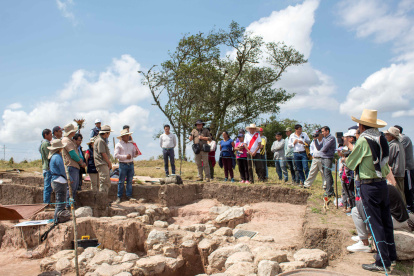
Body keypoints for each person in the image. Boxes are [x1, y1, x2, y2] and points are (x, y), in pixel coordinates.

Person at [345, 109, 396, 272]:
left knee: (374, 223)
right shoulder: (381, 138)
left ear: (361, 125)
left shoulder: (363, 140)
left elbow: (351, 163)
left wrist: (347, 157)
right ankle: (390, 254)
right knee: (385, 220)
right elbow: (385, 162)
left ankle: (382, 262)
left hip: (369, 185)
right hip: (381, 183)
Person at [348, 184, 414, 253]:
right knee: (365, 210)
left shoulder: (377, 189)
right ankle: (366, 236)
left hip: (396, 220)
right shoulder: (385, 186)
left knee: (356, 210)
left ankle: (364, 243)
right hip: (400, 219)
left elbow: (369, 209)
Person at [61, 123, 86, 208]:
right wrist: (81, 162)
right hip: (71, 166)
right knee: (71, 188)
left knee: (73, 188)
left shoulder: (68, 140)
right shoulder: (67, 141)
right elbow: (73, 154)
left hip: (73, 166)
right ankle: (69, 206)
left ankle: (70, 205)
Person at [114, 129, 139, 203]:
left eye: (128, 135)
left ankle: (129, 195)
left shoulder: (131, 144)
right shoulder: (118, 145)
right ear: (123, 136)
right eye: (127, 135)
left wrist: (136, 153)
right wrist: (125, 157)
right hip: (123, 164)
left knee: (129, 181)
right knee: (121, 181)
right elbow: (116, 155)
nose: (128, 136)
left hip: (130, 164)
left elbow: (134, 155)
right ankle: (119, 196)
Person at [394, 125, 414, 212]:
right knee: (404, 188)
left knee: (408, 188)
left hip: (407, 168)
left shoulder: (404, 138)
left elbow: (398, 148)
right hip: (403, 169)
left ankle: (410, 207)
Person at [384, 127, 406, 203]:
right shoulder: (399, 144)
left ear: (392, 136)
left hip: (395, 173)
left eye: (387, 134)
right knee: (401, 192)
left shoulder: (393, 145)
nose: (386, 136)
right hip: (400, 172)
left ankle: (402, 211)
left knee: (397, 193)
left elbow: (388, 160)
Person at [48, 139, 68, 221]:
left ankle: (57, 218)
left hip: (56, 180)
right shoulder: (57, 157)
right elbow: (63, 169)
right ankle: (56, 219)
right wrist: (68, 177)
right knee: (60, 202)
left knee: (59, 201)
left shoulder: (53, 156)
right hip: (59, 180)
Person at [315, 126, 336, 196]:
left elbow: (324, 148)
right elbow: (318, 147)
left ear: (327, 131)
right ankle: (331, 190)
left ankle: (329, 191)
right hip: (323, 158)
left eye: (323, 131)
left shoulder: (331, 138)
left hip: (328, 158)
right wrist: (315, 139)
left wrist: (319, 153)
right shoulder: (324, 139)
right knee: (326, 174)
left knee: (327, 174)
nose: (322, 133)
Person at [94, 125, 114, 193]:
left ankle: (104, 198)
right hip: (101, 163)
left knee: (105, 182)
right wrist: (109, 162)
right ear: (106, 133)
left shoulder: (100, 140)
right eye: (109, 133)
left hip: (102, 163)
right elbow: (103, 153)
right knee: (104, 181)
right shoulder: (100, 141)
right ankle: (102, 199)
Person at [40, 129, 53, 205]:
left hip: (47, 167)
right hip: (47, 168)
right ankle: (46, 203)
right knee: (47, 187)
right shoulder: (45, 144)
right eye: (50, 134)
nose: (51, 136)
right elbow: (49, 156)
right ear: (46, 135)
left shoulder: (44, 143)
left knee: (48, 186)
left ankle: (47, 202)